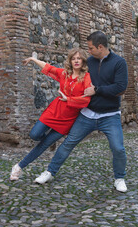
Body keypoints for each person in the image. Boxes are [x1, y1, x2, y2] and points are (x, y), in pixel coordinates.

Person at [33, 31, 129, 192]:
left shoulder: (119, 63)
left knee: (118, 148)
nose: (88, 51)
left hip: (109, 115)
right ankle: (50, 172)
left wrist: (97, 90)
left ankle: (119, 178)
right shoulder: (88, 62)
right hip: (87, 114)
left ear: (100, 47)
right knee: (68, 143)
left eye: (91, 48)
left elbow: (120, 88)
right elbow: (70, 75)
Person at [10, 48, 92, 183]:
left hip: (67, 118)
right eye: (73, 58)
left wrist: (69, 100)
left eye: (79, 58)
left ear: (83, 61)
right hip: (54, 111)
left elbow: (86, 100)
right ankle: (49, 142)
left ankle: (18, 167)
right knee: (34, 134)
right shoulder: (64, 74)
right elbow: (49, 68)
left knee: (43, 145)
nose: (76, 61)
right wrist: (33, 59)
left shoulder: (87, 77)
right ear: (70, 61)